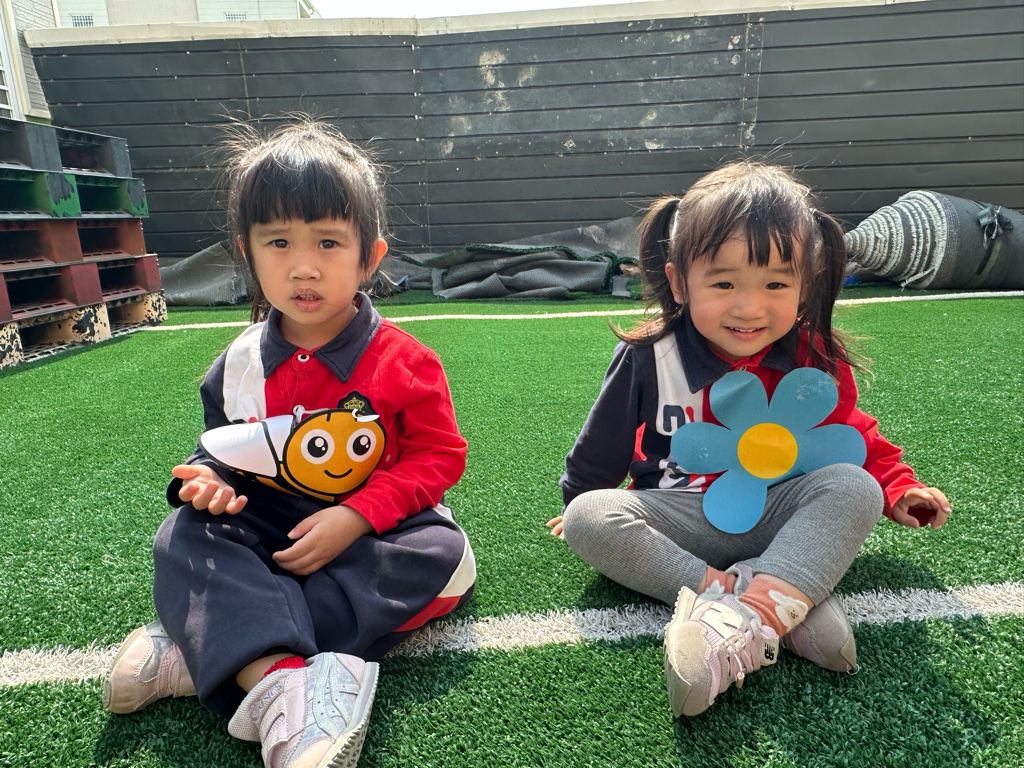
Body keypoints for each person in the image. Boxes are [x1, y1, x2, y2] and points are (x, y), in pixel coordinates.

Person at [103, 119, 475, 768]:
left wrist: (354, 516)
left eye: (328, 242)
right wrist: (208, 480)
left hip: (377, 531)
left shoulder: (406, 362)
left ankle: (209, 645)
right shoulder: (239, 362)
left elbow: (438, 457)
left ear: (369, 257)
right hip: (271, 524)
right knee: (184, 532)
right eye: (278, 242)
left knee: (445, 557)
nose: (303, 266)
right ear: (247, 252)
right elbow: (223, 448)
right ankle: (287, 686)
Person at [547, 161, 950, 718]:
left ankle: (744, 619)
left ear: (805, 285)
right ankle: (780, 600)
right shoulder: (648, 356)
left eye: (776, 284)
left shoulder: (813, 359)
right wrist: (578, 501)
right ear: (679, 282)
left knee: (853, 486)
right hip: (679, 520)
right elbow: (602, 444)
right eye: (724, 283)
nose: (749, 308)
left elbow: (850, 436)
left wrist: (897, 486)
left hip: (775, 514)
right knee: (591, 517)